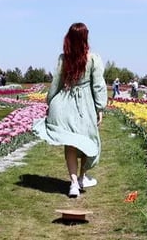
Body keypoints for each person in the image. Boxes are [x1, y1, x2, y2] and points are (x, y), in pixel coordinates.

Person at [32, 22, 108, 198]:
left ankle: (73, 183)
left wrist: (50, 102)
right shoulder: (93, 58)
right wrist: (100, 108)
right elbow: (98, 86)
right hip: (85, 105)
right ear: (85, 37)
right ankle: (80, 178)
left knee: (71, 144)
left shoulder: (64, 58)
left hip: (64, 103)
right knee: (87, 141)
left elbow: (56, 83)